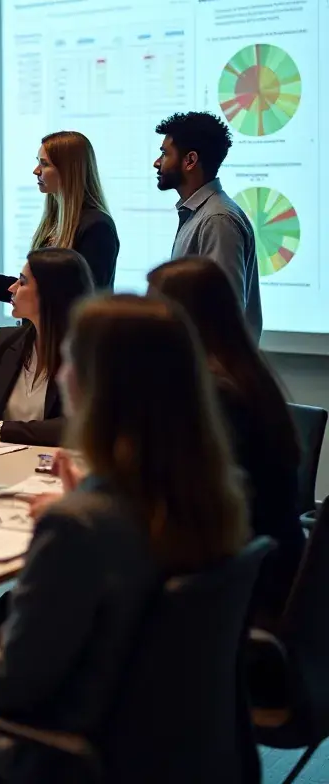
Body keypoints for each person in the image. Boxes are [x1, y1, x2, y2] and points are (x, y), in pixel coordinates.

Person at [0, 294, 249, 783]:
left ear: (102, 385)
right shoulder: (206, 496)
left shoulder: (80, 528)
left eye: (72, 359)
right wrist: (89, 497)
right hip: (164, 743)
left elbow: (12, 687)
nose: (60, 373)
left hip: (57, 751)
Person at [147, 257, 303, 622]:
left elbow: (188, 511)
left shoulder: (219, 397)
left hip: (235, 599)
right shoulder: (245, 376)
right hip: (253, 578)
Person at [0, 248, 93, 445]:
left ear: (51, 293)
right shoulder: (4, 340)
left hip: (54, 467)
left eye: (23, 282)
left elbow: (78, 426)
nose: (12, 288)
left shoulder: (87, 353)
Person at [0, 130, 118, 301]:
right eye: (38, 163)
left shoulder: (97, 227)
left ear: (68, 170)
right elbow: (42, 289)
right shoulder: (55, 221)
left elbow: (85, 299)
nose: (36, 171)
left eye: (45, 164)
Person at [154, 111, 261, 339]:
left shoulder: (217, 220)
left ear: (190, 160)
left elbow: (223, 315)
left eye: (164, 154)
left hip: (212, 371)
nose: (157, 163)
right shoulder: (200, 214)